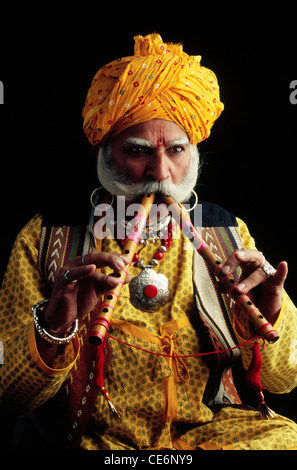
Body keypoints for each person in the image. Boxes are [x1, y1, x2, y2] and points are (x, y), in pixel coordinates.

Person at [1, 33, 297, 451]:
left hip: (208, 435)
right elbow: (8, 398)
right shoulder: (45, 237)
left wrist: (269, 313)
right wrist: (54, 324)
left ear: (192, 155)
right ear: (106, 153)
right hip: (95, 441)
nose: (160, 172)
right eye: (138, 151)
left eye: (176, 150)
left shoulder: (227, 233)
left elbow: (284, 381)